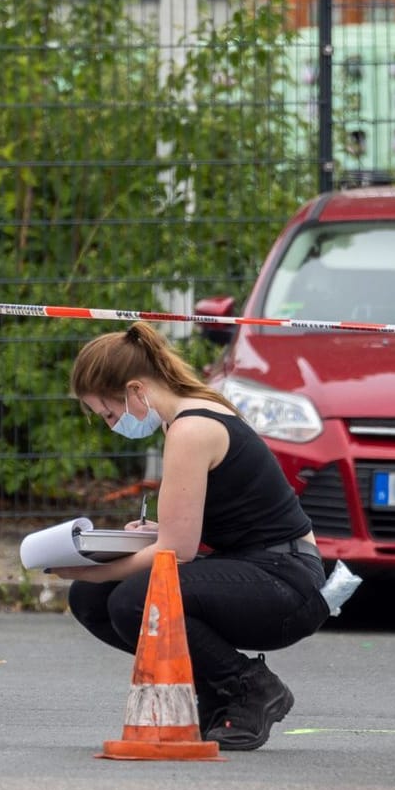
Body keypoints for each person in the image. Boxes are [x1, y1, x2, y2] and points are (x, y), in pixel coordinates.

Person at [59, 321, 330, 751]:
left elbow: (176, 552)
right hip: (259, 568)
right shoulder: (183, 420)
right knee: (90, 600)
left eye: (109, 413)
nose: (112, 424)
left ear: (135, 390)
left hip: (288, 582)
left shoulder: (191, 429)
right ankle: (216, 694)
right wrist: (145, 538)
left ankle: (248, 688)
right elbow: (188, 531)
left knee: (132, 599)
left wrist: (92, 569)